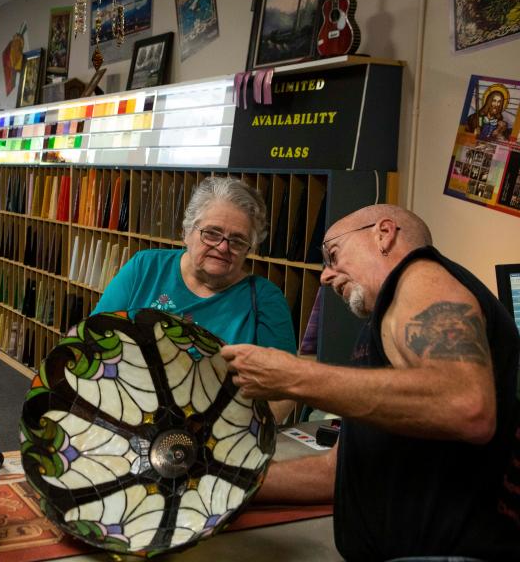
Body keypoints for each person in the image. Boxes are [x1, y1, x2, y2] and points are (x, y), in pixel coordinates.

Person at [222, 204, 520, 560]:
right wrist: (221, 480)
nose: (326, 276)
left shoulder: (421, 276)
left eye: (333, 255)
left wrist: (292, 376)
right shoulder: (386, 320)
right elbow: (336, 472)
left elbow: (466, 406)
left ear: (384, 233)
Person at [93, 176, 297, 420]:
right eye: (211, 233)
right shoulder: (144, 268)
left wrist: (253, 439)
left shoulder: (265, 299)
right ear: (186, 231)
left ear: (249, 249)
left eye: (238, 240)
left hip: (219, 439)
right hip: (125, 418)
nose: (223, 247)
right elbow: (94, 340)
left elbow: (287, 386)